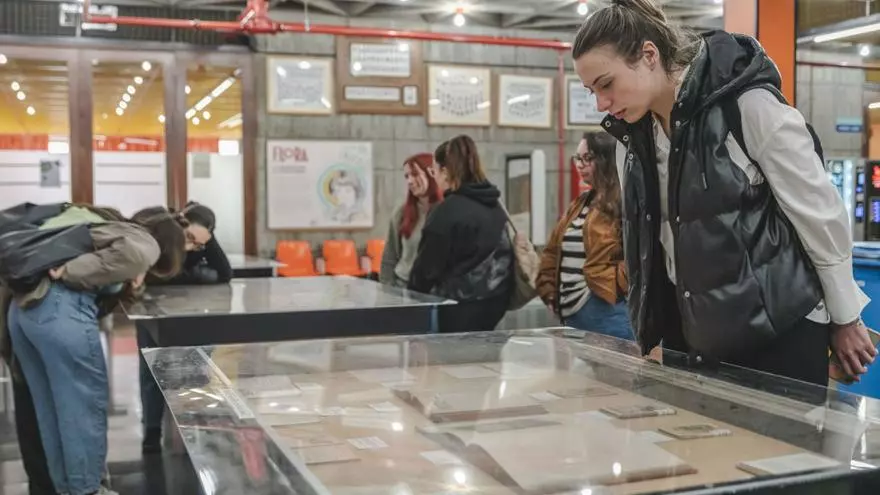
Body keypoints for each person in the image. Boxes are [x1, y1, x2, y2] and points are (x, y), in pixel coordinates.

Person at [570, 0, 877, 387]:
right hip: (693, 339)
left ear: (649, 55)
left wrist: (846, 318)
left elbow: (819, 215)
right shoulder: (630, 141)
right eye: (591, 91)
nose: (601, 103)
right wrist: (654, 330)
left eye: (606, 84)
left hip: (778, 335)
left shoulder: (748, 107)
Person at [2, 204, 187, 495]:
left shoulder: (95, 221)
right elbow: (136, 254)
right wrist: (70, 271)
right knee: (82, 409)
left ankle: (67, 489)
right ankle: (87, 489)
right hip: (58, 310)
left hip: (22, 312)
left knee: (50, 412)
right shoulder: (143, 240)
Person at [130, 202, 231, 453]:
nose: (191, 246)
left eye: (199, 244)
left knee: (194, 367)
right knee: (151, 370)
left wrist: (207, 237)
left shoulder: (198, 242)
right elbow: (159, 275)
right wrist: (198, 275)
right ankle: (152, 430)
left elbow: (224, 273)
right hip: (152, 310)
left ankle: (188, 428)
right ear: (180, 224)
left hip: (188, 312)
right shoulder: (161, 235)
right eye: (189, 237)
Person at [409, 135, 514, 332]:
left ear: (445, 172)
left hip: (456, 310)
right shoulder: (495, 206)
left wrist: (411, 298)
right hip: (496, 306)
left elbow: (426, 270)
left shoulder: (445, 212)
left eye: (434, 171)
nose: (435, 178)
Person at [537, 131, 632, 340]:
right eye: (577, 158)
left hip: (605, 307)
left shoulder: (624, 200)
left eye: (587, 158)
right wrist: (549, 290)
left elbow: (641, 252)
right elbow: (553, 250)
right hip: (572, 310)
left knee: (615, 362)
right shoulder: (582, 202)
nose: (579, 165)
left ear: (606, 160)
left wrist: (618, 284)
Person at [379, 153, 444, 287]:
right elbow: (390, 257)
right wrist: (388, 289)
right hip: (403, 286)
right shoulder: (401, 212)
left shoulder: (448, 210)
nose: (410, 181)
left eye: (415, 174)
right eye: (407, 176)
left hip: (437, 289)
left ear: (432, 173)